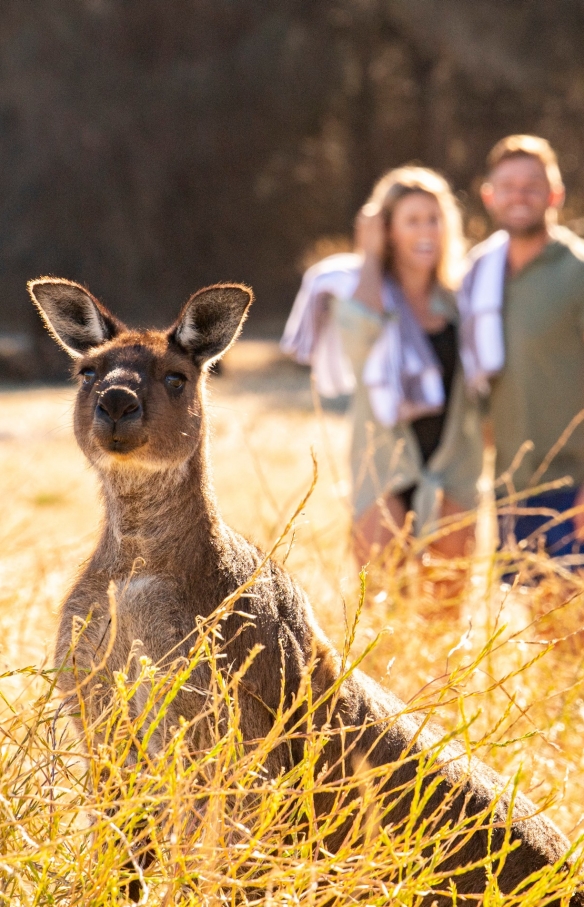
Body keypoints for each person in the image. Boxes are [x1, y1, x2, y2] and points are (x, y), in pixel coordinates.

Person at [282, 167, 482, 564]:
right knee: (380, 603)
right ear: (388, 231)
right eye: (412, 221)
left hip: (453, 466)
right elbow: (363, 337)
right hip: (383, 467)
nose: (426, 231)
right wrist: (370, 254)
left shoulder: (462, 301)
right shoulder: (363, 294)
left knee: (446, 609)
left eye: (434, 219)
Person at [460, 134, 584, 560]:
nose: (520, 195)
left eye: (532, 184)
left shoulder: (577, 270)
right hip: (511, 487)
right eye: (508, 186)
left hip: (573, 488)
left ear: (555, 193)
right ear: (489, 196)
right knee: (532, 622)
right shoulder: (479, 272)